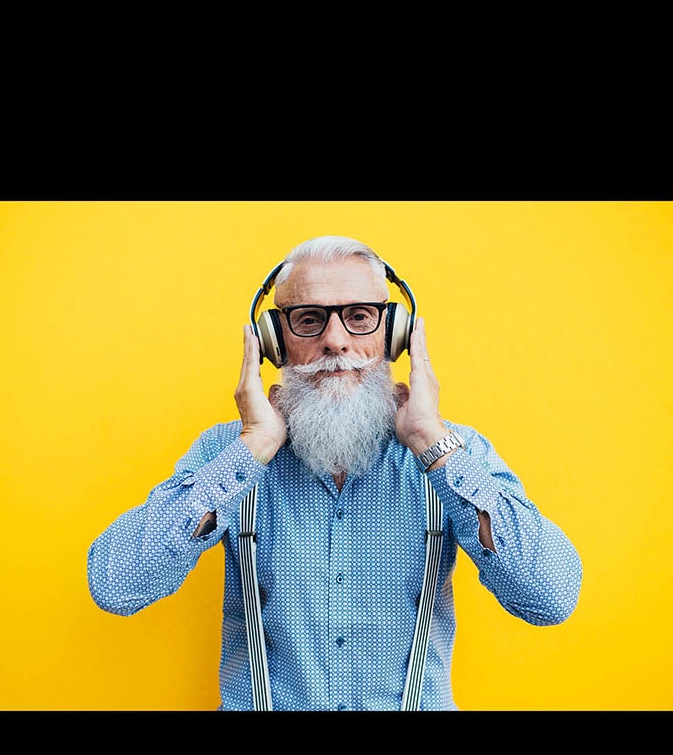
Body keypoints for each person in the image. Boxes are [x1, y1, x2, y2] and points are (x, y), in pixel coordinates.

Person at [87, 234, 582, 711]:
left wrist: (433, 444)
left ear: (395, 335)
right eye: (308, 320)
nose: (336, 342)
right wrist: (252, 447)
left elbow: (550, 596)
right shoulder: (228, 452)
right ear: (274, 343)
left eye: (360, 317)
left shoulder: (455, 452)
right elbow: (116, 585)